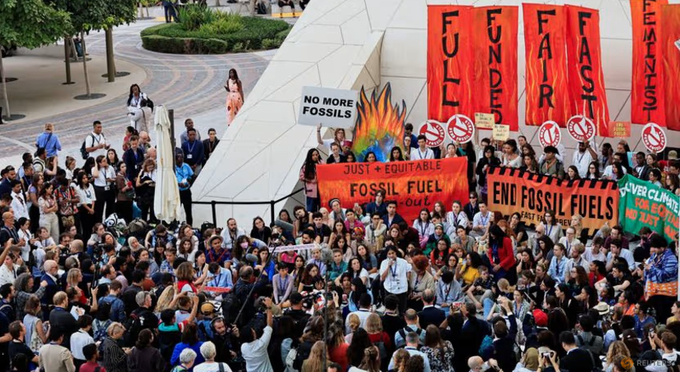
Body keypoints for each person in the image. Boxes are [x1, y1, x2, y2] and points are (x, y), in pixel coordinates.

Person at [241, 297, 273, 372]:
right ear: (253, 334)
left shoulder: (243, 347)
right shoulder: (261, 345)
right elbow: (269, 325)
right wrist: (269, 307)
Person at [175, 152, 194, 225]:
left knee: (188, 211)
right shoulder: (173, 168)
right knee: (176, 211)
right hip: (178, 191)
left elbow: (192, 176)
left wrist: (189, 183)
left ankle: (189, 225)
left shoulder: (186, 166)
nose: (181, 160)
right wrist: (178, 184)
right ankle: (177, 225)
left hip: (186, 190)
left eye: (182, 158)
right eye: (179, 158)